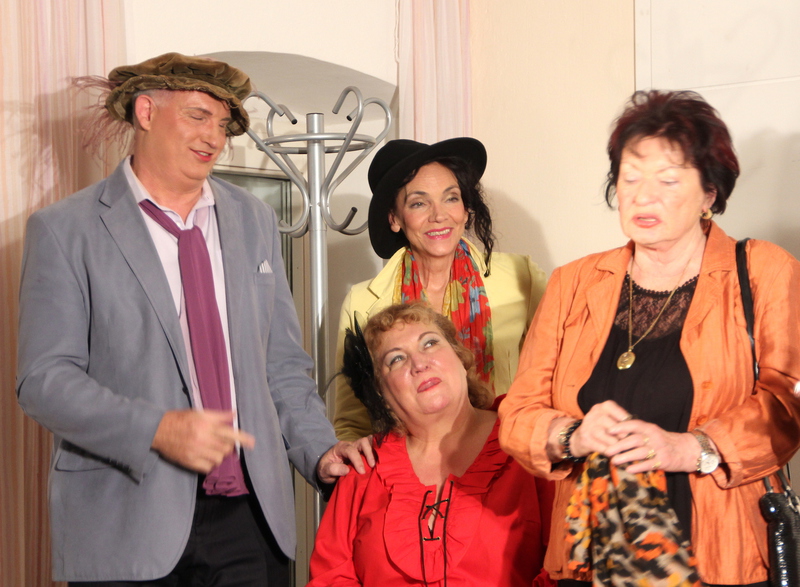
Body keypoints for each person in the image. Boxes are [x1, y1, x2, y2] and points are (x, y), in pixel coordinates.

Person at [16, 52, 372, 586]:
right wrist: (157, 430)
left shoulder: (254, 219)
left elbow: (281, 365)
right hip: (125, 521)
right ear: (146, 112)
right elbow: (44, 380)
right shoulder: (65, 230)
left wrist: (319, 449)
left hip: (252, 518)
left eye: (223, 124)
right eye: (198, 116)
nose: (214, 137)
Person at [498, 89, 800, 586]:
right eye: (630, 177)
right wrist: (573, 436)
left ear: (709, 193)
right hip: (592, 555)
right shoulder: (573, 283)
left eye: (668, 179)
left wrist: (692, 448)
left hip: (720, 556)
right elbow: (517, 414)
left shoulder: (763, 270)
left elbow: (786, 404)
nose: (643, 195)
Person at [309, 302, 554, 586]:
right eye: (396, 359)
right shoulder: (363, 469)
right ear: (381, 393)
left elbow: (565, 563)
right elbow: (329, 577)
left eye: (429, 343)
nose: (419, 364)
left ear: (460, 357)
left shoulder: (530, 441)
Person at [334, 137, 547, 440]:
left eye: (451, 198)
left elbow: (556, 379)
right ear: (394, 218)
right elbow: (352, 423)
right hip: (409, 461)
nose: (439, 215)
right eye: (419, 203)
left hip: (505, 453)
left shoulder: (520, 277)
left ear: (466, 209)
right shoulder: (361, 302)